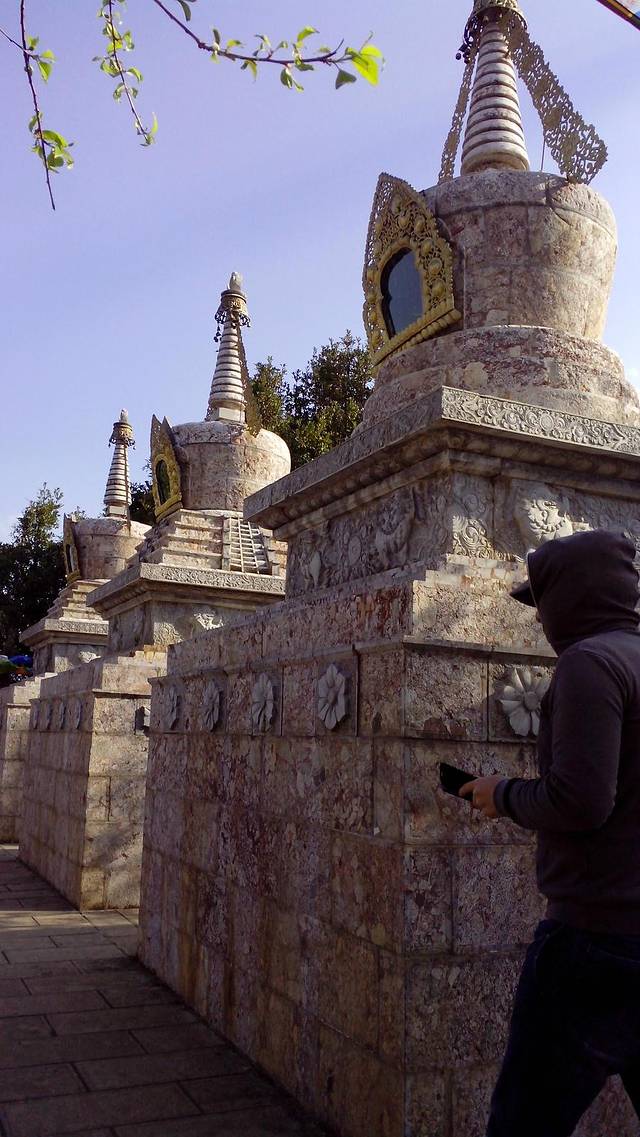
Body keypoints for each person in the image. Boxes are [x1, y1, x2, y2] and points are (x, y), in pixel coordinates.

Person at [459, 528, 640, 1137]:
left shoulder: (591, 664)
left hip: (595, 941)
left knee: (524, 1123)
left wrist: (501, 794)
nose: (539, 620)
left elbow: (581, 801)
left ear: (573, 596)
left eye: (543, 602)